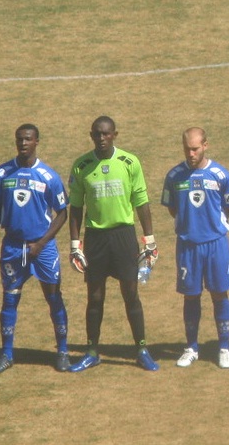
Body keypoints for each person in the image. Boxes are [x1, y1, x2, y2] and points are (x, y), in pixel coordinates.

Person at [67, 116, 159, 372]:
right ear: (91, 135)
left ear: (115, 135)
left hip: (123, 237)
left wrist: (149, 240)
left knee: (131, 294)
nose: (101, 138)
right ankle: (92, 351)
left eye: (106, 134)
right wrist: (75, 245)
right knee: (94, 297)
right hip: (96, 239)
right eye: (97, 134)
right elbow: (75, 207)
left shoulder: (130, 162)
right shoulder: (81, 165)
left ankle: (141, 349)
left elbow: (141, 200)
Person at [0, 124, 71, 374]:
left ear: (37, 141)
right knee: (9, 299)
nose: (23, 143)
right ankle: (7, 354)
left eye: (27, 139)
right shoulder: (2, 173)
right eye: (19, 139)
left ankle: (63, 352)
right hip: (13, 247)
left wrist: (42, 243)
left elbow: (62, 213)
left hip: (42, 250)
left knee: (54, 297)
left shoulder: (48, 176)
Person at [161, 127, 229, 369]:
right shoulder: (174, 176)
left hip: (216, 244)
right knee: (191, 295)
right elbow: (171, 207)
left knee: (219, 294)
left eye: (195, 148)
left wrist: (214, 223)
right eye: (186, 149)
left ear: (206, 145)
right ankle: (191, 347)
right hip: (188, 245)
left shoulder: (220, 174)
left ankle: (224, 347)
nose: (190, 153)